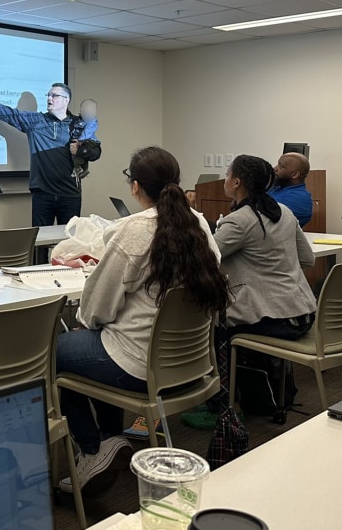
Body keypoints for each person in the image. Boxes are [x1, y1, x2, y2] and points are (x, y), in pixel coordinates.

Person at [56, 146, 230, 493]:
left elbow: (94, 310)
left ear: (135, 187)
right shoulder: (198, 223)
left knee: (57, 351)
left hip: (140, 367)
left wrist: (90, 323)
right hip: (192, 367)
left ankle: (93, 448)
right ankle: (110, 440)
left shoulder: (134, 230)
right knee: (92, 347)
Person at [181, 155, 316, 429]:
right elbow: (308, 259)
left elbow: (202, 261)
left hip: (275, 319)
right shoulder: (283, 212)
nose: (225, 179)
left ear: (237, 182)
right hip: (303, 313)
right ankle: (251, 396)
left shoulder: (239, 221)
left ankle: (221, 407)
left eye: (227, 174)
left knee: (213, 325)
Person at [0, 82, 80, 227]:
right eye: (48, 95)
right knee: (40, 242)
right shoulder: (35, 121)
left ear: (66, 100)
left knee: (71, 244)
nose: (49, 98)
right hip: (43, 194)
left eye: (54, 95)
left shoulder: (77, 125)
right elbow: (7, 113)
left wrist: (83, 152)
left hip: (70, 195)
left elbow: (95, 151)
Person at [269, 152, 313, 227]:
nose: (275, 169)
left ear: (295, 175)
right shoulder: (277, 187)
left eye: (281, 166)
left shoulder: (298, 198)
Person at [69, 98, 101, 180]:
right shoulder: (77, 121)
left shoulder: (91, 121)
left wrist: (79, 143)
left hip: (89, 142)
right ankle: (82, 169)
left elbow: (96, 153)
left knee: (78, 153)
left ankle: (80, 168)